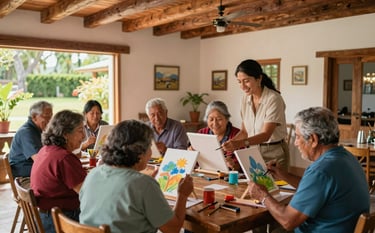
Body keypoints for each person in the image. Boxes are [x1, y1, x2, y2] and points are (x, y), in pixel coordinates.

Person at [248, 107, 370, 233]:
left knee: (273, 224)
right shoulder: (346, 157)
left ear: (313, 139)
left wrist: (263, 196)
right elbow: (318, 188)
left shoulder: (321, 170)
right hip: (340, 227)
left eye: (297, 137)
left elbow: (288, 221)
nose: (295, 143)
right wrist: (283, 175)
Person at [79, 120, 193, 233]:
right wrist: (182, 195)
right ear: (139, 152)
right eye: (150, 147)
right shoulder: (143, 185)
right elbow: (173, 229)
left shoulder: (93, 174)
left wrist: (146, 184)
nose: (151, 153)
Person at [222, 59, 289, 170]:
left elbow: (266, 134)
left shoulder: (273, 99)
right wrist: (231, 143)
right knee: (255, 186)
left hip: (274, 153)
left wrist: (239, 144)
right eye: (239, 81)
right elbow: (244, 132)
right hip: (253, 151)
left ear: (259, 78)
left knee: (276, 187)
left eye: (246, 81)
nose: (242, 86)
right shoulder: (245, 99)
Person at [30, 110, 87, 233]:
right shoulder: (64, 158)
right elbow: (87, 193)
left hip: (43, 218)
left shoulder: (45, 150)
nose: (84, 136)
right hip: (59, 221)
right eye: (80, 131)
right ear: (66, 134)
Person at [9, 101, 53, 177]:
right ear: (34, 117)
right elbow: (40, 160)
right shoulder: (26, 132)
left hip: (34, 170)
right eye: (46, 116)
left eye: (51, 116)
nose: (50, 120)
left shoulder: (39, 130)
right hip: (25, 176)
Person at [197, 100, 241, 171]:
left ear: (227, 119)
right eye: (211, 119)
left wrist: (233, 165)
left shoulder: (238, 135)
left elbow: (242, 165)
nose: (215, 123)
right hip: (205, 174)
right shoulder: (201, 133)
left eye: (219, 119)